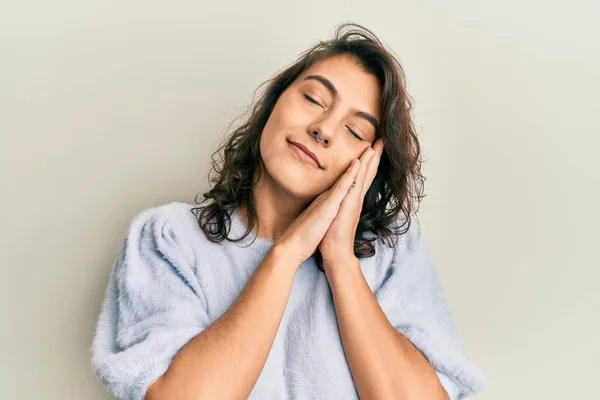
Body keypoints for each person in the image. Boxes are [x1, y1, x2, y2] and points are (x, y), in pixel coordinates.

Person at [91, 22, 485, 400]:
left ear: (368, 164)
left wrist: (340, 261)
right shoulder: (168, 238)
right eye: (314, 99)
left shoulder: (392, 251)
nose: (324, 129)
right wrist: (287, 252)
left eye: (356, 131)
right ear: (273, 102)